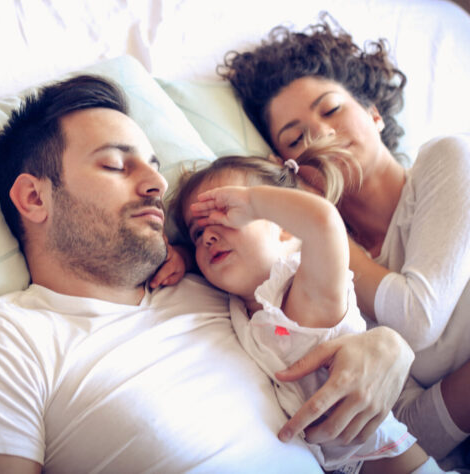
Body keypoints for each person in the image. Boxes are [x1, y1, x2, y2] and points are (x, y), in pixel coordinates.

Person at [0, 74, 415, 473]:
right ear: (35, 197)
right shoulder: (1, 345)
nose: (156, 182)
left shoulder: (225, 289)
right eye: (115, 166)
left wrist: (385, 345)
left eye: (152, 164)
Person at [219, 16, 470, 464]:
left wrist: (325, 228)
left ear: (374, 114)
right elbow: (399, 435)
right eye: (295, 138)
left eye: (331, 109)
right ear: (290, 167)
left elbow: (417, 317)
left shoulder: (448, 158)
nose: (318, 133)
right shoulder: (325, 287)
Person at [167, 138, 434, 472]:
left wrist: (254, 201)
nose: (208, 235)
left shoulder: (304, 289)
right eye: (197, 232)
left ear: (286, 228)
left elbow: (324, 223)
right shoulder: (237, 303)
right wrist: (183, 257)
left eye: (226, 213)